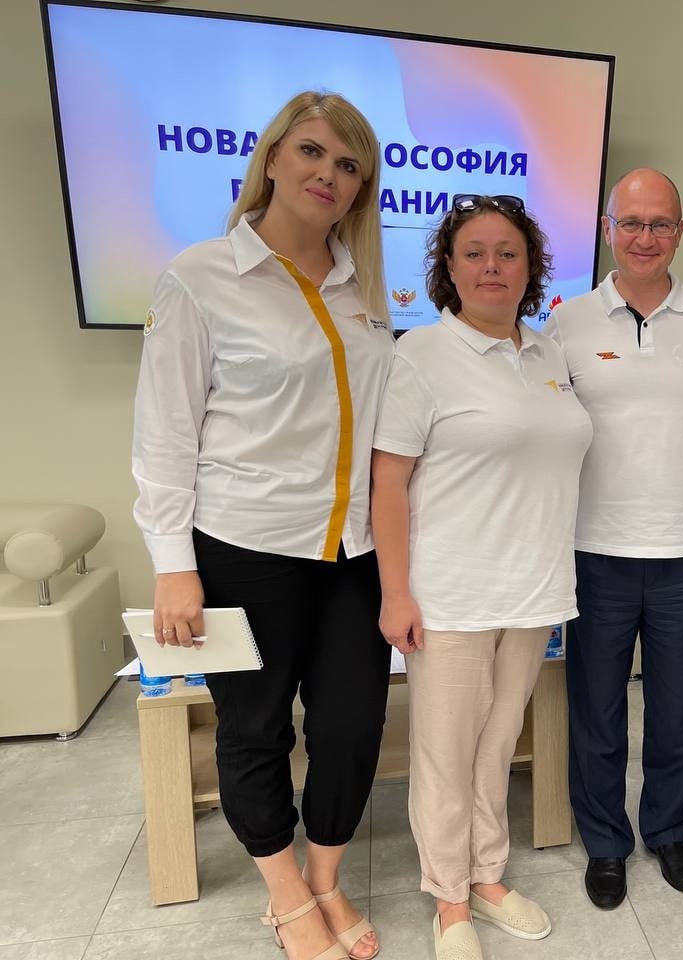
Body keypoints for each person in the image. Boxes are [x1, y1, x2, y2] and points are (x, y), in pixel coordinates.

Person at [132, 92, 392, 960]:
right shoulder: (200, 277)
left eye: (349, 165)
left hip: (353, 551)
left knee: (352, 724)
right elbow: (164, 437)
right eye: (312, 152)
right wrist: (174, 565)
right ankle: (285, 896)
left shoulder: (364, 290)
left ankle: (325, 879)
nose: (329, 175)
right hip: (243, 548)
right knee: (256, 729)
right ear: (273, 158)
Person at [370, 194, 593, 960]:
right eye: (474, 252)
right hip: (450, 594)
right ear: (449, 268)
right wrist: (395, 593)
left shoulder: (548, 355)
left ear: (531, 268)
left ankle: (488, 875)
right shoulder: (421, 356)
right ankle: (449, 899)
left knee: (497, 745)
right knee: (445, 754)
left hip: (532, 588)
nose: (492, 266)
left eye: (508, 252)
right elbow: (388, 483)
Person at [544, 168, 683, 908]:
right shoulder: (566, 325)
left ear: (680, 232)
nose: (645, 237)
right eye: (631, 223)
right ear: (606, 230)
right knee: (597, 711)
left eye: (660, 224)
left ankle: (670, 831)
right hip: (594, 550)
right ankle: (606, 842)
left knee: (679, 710)